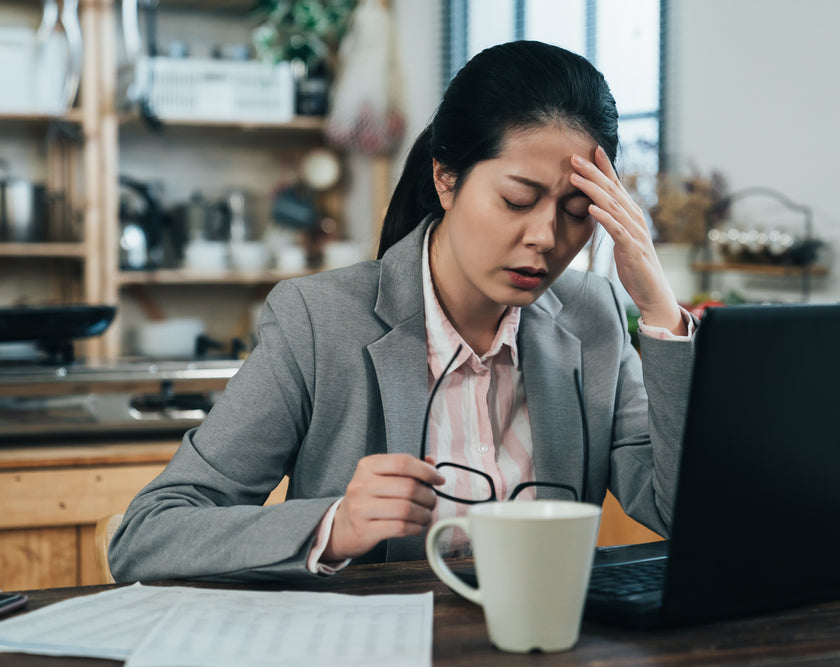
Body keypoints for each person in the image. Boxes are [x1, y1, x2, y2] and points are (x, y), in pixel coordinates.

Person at [109, 40, 695, 583]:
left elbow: (680, 512)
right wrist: (333, 526)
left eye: (576, 211)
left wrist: (661, 312)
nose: (545, 236)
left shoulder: (593, 317)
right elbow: (147, 535)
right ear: (446, 178)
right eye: (517, 200)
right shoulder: (317, 322)